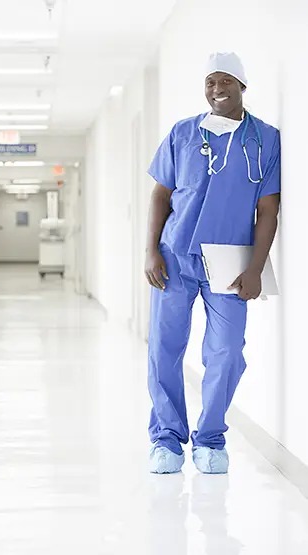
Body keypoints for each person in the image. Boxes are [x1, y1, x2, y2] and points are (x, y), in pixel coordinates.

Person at [145, 52, 281, 475]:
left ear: (242, 86)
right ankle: (166, 440)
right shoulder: (183, 133)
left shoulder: (266, 140)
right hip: (174, 256)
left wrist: (258, 267)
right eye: (210, 82)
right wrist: (151, 250)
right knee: (164, 349)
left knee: (225, 352)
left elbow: (269, 208)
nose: (217, 90)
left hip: (230, 262)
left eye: (225, 82)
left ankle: (210, 439)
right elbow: (160, 196)